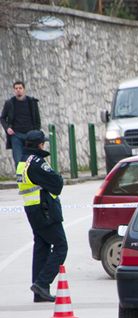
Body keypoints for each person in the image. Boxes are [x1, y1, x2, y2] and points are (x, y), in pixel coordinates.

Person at [16, 130, 67, 302]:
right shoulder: (36, 162)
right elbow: (57, 183)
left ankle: (39, 293)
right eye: (43, 143)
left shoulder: (23, 161)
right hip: (45, 210)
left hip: (33, 209)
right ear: (39, 145)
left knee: (42, 246)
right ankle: (42, 283)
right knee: (61, 246)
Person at [1, 81, 42, 167]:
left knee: (32, 160)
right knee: (18, 160)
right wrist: (7, 128)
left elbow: (37, 120)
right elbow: (2, 118)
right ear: (14, 90)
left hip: (30, 135)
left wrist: (38, 135)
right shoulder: (10, 103)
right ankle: (20, 179)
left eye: (20, 88)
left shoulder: (32, 102)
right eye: (16, 88)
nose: (18, 90)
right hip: (16, 135)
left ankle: (31, 179)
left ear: (24, 89)